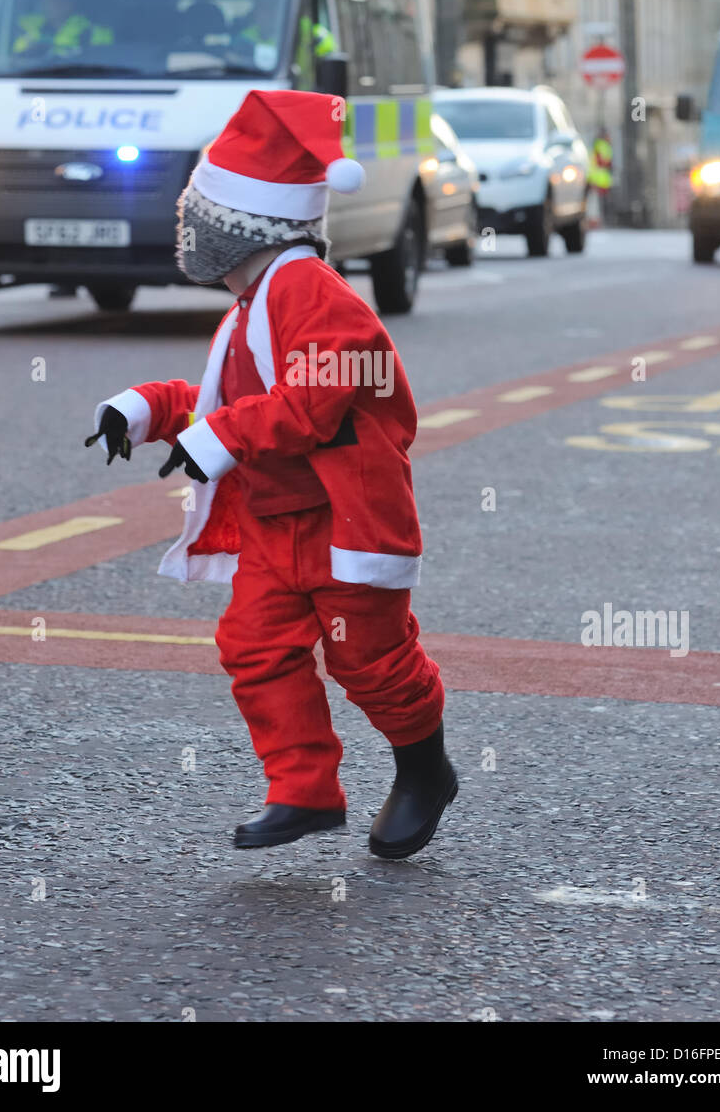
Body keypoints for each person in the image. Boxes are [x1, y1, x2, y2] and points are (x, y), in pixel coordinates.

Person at [84, 89, 457, 857]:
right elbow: (233, 404)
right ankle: (304, 791)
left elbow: (313, 401)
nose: (190, 228)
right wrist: (146, 410)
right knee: (256, 645)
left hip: (344, 517)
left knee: (371, 660)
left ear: (237, 224)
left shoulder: (308, 291)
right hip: (278, 520)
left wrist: (216, 435)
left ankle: (425, 770)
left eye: (201, 214)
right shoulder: (256, 298)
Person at [12, 0, 114, 58]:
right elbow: (16, 59)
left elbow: (105, 62)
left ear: (72, 1)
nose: (54, 3)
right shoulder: (25, 28)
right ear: (42, 1)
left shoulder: (94, 32)